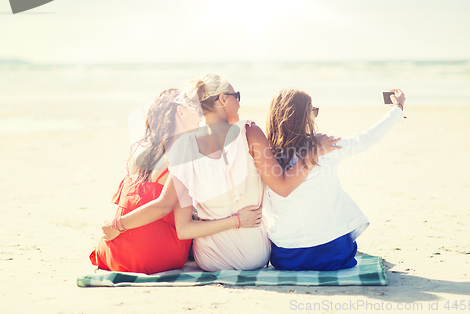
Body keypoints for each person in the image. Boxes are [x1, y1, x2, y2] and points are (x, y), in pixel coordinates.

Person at [101, 74, 341, 272]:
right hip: (254, 258)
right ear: (223, 100)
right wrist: (314, 151)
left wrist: (119, 224)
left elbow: (182, 228)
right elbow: (283, 187)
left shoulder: (184, 147)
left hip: (210, 262)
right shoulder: (250, 132)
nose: (240, 103)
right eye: (237, 97)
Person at [264, 88, 406, 271]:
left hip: (286, 258)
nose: (315, 116)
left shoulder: (265, 157)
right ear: (303, 118)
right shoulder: (324, 148)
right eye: (313, 111)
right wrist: (398, 108)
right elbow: (368, 138)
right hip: (332, 256)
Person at [90, 88, 201, 274]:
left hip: (115, 252)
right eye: (195, 108)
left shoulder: (140, 152)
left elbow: (131, 203)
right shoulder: (182, 153)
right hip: (156, 255)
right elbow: (162, 205)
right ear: (180, 112)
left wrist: (116, 224)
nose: (200, 114)